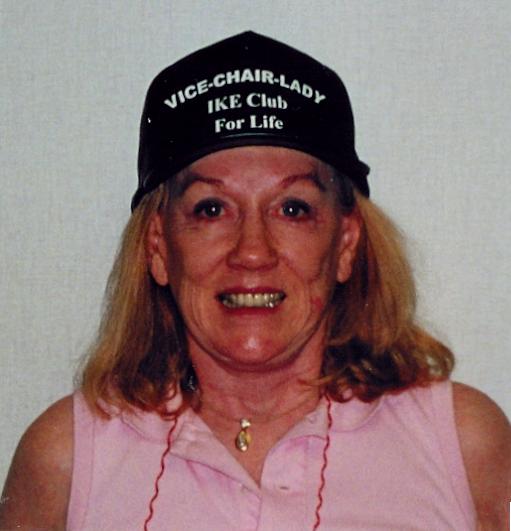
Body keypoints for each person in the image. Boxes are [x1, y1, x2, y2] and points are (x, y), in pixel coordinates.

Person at [1, 31, 509, 531]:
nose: (252, 252)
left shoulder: (463, 447)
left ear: (345, 244)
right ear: (158, 247)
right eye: (211, 209)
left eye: (292, 209)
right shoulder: (66, 461)